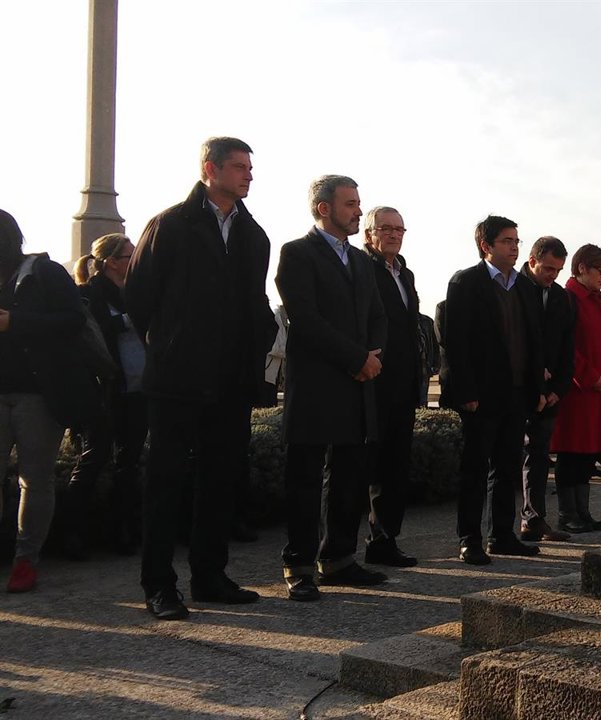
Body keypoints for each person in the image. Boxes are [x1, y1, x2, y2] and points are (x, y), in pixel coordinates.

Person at [126, 137, 276, 619]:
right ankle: (158, 584)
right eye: (238, 167)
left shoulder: (254, 235)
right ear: (210, 169)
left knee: (220, 480)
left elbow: (254, 303)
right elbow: (138, 297)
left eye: (250, 168)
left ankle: (210, 577)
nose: (248, 175)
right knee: (166, 480)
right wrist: (170, 342)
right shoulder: (171, 224)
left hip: (230, 380)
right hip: (177, 378)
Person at [276, 175, 389, 601]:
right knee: (305, 478)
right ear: (324, 208)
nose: (359, 211)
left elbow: (378, 316)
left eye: (359, 203)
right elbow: (304, 319)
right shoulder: (297, 253)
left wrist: (373, 355)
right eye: (350, 203)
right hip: (318, 385)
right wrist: (356, 358)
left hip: (358, 386)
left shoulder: (361, 261)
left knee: (349, 476)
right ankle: (299, 565)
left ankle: (339, 558)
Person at [0, 210, 98, 593]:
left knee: (34, 479)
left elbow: (73, 320)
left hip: (37, 395)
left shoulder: (45, 273)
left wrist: (16, 322)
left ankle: (26, 560)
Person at [440, 215, 545, 565]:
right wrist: (465, 390)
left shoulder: (526, 287)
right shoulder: (466, 282)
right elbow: (455, 343)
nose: (515, 247)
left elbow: (534, 343)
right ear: (486, 246)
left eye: (516, 241)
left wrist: (537, 388)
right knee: (475, 468)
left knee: (507, 467)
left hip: (516, 393)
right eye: (506, 241)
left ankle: (501, 535)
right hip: (480, 395)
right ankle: (469, 539)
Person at [66, 233, 147, 559]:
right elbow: (93, 333)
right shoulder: (87, 294)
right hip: (104, 390)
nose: (135, 261)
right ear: (112, 261)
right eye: (130, 256)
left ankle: (123, 530)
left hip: (137, 388)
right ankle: (71, 531)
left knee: (129, 462)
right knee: (94, 458)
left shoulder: (135, 292)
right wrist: (132, 320)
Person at [359, 206, 423, 567]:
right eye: (385, 228)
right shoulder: (361, 267)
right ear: (369, 234)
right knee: (361, 467)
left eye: (400, 229)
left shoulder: (406, 273)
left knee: (394, 467)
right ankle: (336, 551)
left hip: (402, 383)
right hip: (370, 379)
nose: (394, 235)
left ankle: (385, 540)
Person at [550, 244, 601, 532]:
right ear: (582, 268)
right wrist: (590, 377)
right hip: (578, 391)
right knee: (571, 452)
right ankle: (567, 514)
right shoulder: (568, 298)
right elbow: (567, 348)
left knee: (588, 454)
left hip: (600, 389)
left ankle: (583, 511)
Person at [519, 236, 574, 543]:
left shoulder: (560, 297)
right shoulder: (514, 289)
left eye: (558, 269)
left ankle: (534, 519)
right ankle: (499, 530)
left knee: (539, 456)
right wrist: (535, 378)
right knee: (506, 460)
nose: (553, 275)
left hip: (550, 391)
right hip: (519, 386)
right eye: (548, 268)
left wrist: (558, 388)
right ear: (532, 261)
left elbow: (567, 345)